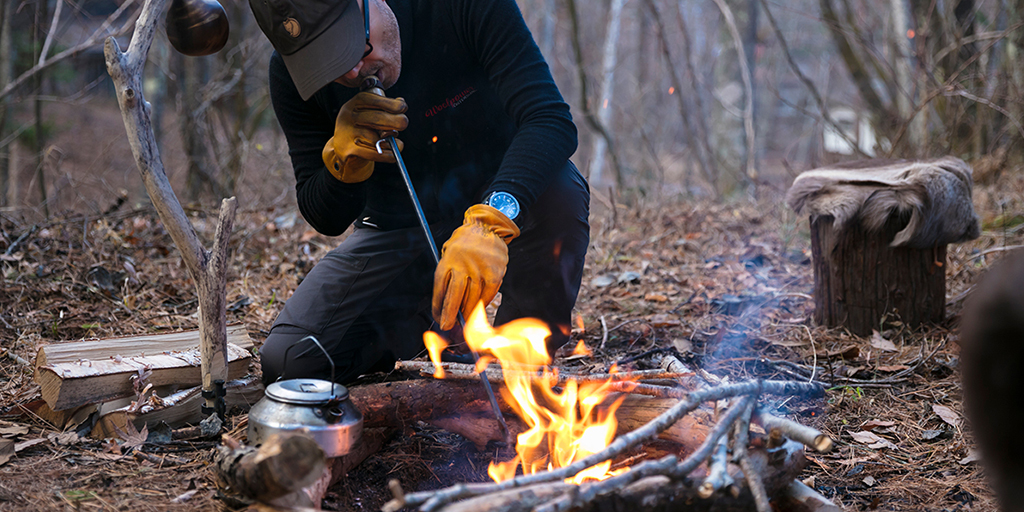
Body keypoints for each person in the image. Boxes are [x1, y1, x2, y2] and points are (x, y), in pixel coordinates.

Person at [248, 0, 590, 385]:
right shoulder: (291, 75)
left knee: (560, 192)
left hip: (503, 202)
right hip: (398, 232)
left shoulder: (459, 8)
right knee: (290, 362)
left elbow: (550, 120)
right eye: (327, 63)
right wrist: (341, 166)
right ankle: (435, 339)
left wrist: (492, 220)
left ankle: (522, 367)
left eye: (354, 48)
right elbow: (324, 215)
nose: (352, 70)